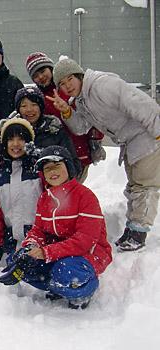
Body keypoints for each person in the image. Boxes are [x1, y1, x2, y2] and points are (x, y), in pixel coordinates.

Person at [50, 58, 160, 251]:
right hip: (130, 142)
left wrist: (158, 132)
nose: (67, 86)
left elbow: (140, 104)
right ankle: (132, 228)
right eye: (62, 84)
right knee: (135, 186)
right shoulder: (82, 101)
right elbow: (82, 127)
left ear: (78, 75)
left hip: (146, 136)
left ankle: (138, 233)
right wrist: (67, 111)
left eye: (70, 79)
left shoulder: (101, 85)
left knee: (145, 185)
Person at [0, 145, 112, 309]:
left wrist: (45, 252)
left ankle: (84, 290)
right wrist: (29, 248)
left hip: (87, 255)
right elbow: (38, 231)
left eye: (57, 166)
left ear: (68, 167)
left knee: (65, 270)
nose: (52, 172)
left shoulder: (85, 196)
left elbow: (85, 241)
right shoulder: (45, 198)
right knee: (18, 261)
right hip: (57, 255)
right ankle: (58, 287)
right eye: (47, 169)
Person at [25, 52, 105, 182]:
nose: (41, 77)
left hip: (80, 151)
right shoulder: (37, 98)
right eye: (35, 75)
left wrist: (96, 140)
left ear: (50, 68)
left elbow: (91, 115)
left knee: (73, 192)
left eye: (42, 71)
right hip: (55, 158)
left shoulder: (69, 87)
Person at [0, 118, 42, 268]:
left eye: (21, 139)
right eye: (11, 139)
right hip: (11, 243)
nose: (16, 144)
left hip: (39, 241)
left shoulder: (39, 170)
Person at [13, 86, 82, 176]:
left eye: (34, 104)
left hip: (52, 185)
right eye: (24, 106)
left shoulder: (54, 129)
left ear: (41, 107)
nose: (29, 109)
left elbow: (73, 165)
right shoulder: (11, 131)